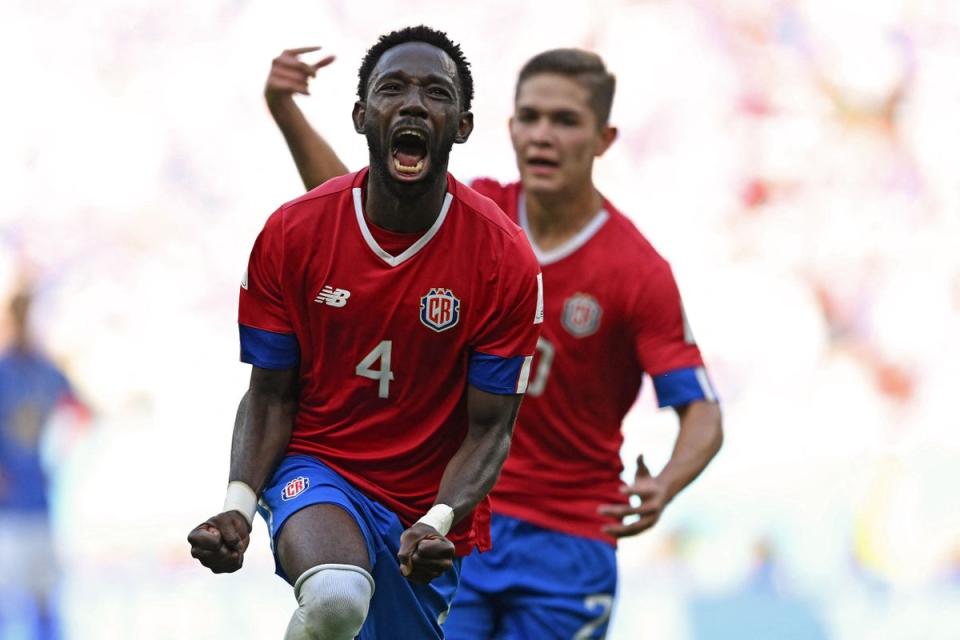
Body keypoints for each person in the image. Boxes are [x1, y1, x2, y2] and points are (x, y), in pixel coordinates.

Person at [263, 45, 723, 639]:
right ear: (508, 127)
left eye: (564, 121)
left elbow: (703, 410)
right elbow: (348, 209)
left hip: (569, 538)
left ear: (603, 139)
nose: (542, 136)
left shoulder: (636, 272)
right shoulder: (473, 218)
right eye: (529, 117)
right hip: (457, 520)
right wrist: (286, 111)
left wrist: (665, 482)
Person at [187, 26, 543, 640]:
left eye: (436, 92)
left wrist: (437, 519)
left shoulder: (502, 258)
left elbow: (491, 429)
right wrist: (239, 505)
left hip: (422, 511)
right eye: (392, 88)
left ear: (461, 125)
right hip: (319, 468)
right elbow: (270, 394)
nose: (412, 103)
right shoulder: (292, 234)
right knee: (335, 597)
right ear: (360, 116)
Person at [0, 287, 85, 640]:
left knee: (45, 601)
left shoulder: (44, 371)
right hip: (7, 509)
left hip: (38, 502)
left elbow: (81, 411)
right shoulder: (5, 370)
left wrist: (59, 457)